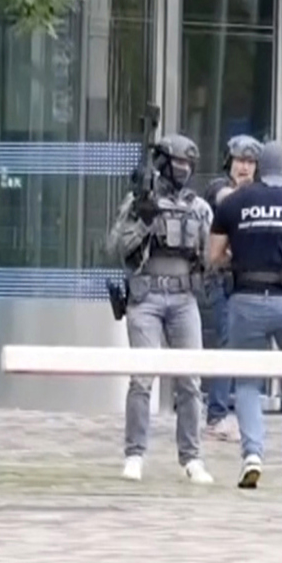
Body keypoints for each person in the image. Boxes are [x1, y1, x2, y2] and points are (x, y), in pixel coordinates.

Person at [208, 140, 282, 489]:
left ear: (261, 167)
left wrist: (241, 259)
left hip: (246, 300)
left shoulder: (235, 203)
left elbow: (214, 255)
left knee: (247, 380)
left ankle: (252, 455)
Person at [106, 133, 216, 485]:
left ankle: (192, 457)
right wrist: (143, 220)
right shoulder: (139, 201)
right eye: (177, 164)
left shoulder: (199, 208)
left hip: (184, 299)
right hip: (146, 298)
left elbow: (209, 254)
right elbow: (114, 246)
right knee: (141, 379)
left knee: (191, 381)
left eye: (188, 166)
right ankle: (134, 454)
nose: (182, 171)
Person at [201, 134, 263, 442]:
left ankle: (244, 412)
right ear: (229, 162)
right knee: (227, 344)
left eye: (250, 162)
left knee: (251, 347)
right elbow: (227, 199)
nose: (244, 167)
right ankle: (216, 415)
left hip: (250, 281)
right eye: (240, 160)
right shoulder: (218, 188)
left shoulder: (259, 194)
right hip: (222, 281)